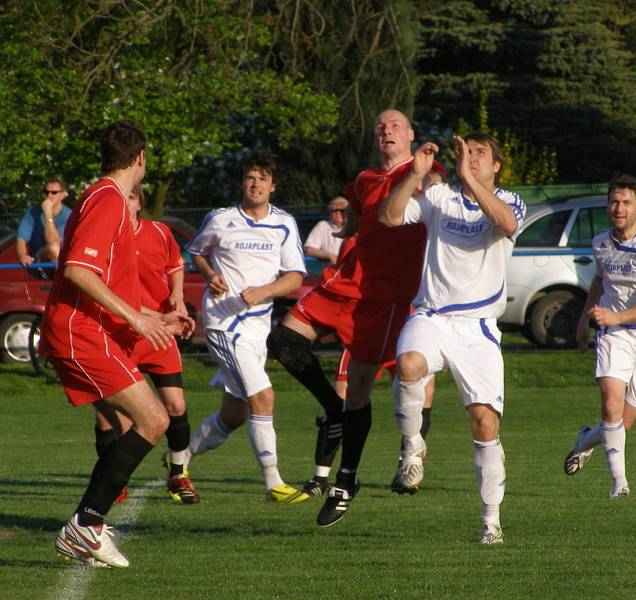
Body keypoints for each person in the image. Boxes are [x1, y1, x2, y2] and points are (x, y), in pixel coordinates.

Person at [266, 108, 445, 527]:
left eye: (396, 125)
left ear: (411, 135)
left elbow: (438, 191)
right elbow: (363, 217)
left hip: (389, 295)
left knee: (362, 384)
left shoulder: (425, 171)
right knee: (283, 344)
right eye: (380, 125)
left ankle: (346, 480)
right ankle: (333, 412)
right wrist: (352, 230)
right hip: (352, 283)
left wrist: (425, 172)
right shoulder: (366, 179)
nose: (387, 131)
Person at [40, 120, 191, 568]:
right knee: (154, 417)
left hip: (90, 330)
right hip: (79, 331)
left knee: (133, 424)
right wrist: (135, 320)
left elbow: (106, 280)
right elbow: (77, 272)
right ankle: (86, 524)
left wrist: (152, 317)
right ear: (140, 158)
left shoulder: (100, 197)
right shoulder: (107, 198)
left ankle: (87, 525)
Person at [380, 132, 525, 544]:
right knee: (408, 365)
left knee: (484, 423)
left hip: (478, 329)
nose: (471, 158)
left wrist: (469, 178)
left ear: (496, 165)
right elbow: (389, 217)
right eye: (467, 152)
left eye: (480, 154)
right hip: (432, 315)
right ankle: (412, 449)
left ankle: (490, 520)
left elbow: (507, 224)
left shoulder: (511, 201)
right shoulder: (440, 197)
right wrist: (414, 175)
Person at [184, 150, 310, 504]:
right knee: (264, 396)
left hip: (257, 330)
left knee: (235, 414)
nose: (255, 184)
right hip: (224, 324)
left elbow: (296, 277)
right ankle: (274, 483)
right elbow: (196, 252)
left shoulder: (284, 223)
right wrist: (211, 276)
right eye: (250, 177)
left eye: (262, 179)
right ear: (243, 182)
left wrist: (266, 291)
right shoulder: (221, 219)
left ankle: (178, 462)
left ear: (273, 185)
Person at [563, 174, 636, 499]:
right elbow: (600, 281)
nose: (619, 207)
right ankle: (619, 484)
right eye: (614, 201)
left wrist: (616, 316)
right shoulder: (601, 242)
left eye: (627, 202)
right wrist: (585, 320)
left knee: (622, 425)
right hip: (614, 335)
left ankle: (586, 440)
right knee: (610, 403)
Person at [299, 234, 436, 498]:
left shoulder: (423, 232)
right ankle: (319, 477)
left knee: (424, 394)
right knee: (343, 397)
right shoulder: (359, 238)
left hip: (410, 328)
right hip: (369, 329)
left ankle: (408, 467)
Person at [93, 183, 200, 505]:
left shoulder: (159, 232)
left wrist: (177, 298)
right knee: (110, 419)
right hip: (119, 332)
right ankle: (114, 482)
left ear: (139, 202)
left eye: (129, 197)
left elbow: (175, 265)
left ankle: (179, 474)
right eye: (119, 198)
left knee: (176, 406)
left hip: (159, 332)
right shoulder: (106, 239)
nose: (123, 203)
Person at [16, 178, 72, 266]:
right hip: (39, 261)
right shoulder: (32, 212)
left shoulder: (69, 215)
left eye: (54, 192)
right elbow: (21, 239)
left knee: (54, 247)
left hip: (63, 260)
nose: (49, 195)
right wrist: (23, 256)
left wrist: (48, 214)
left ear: (62, 195)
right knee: (52, 248)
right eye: (46, 192)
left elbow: (54, 241)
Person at [304, 196, 348, 265]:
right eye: (335, 210)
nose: (338, 213)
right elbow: (309, 249)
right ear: (330, 212)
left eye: (342, 210)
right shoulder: (322, 226)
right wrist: (330, 256)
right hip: (330, 269)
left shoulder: (354, 227)